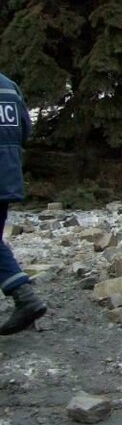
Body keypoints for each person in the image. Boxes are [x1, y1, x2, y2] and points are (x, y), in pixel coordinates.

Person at [0, 71, 47, 334]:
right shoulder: (8, 87)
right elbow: (25, 130)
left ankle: (25, 297)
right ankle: (25, 299)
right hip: (7, 175)